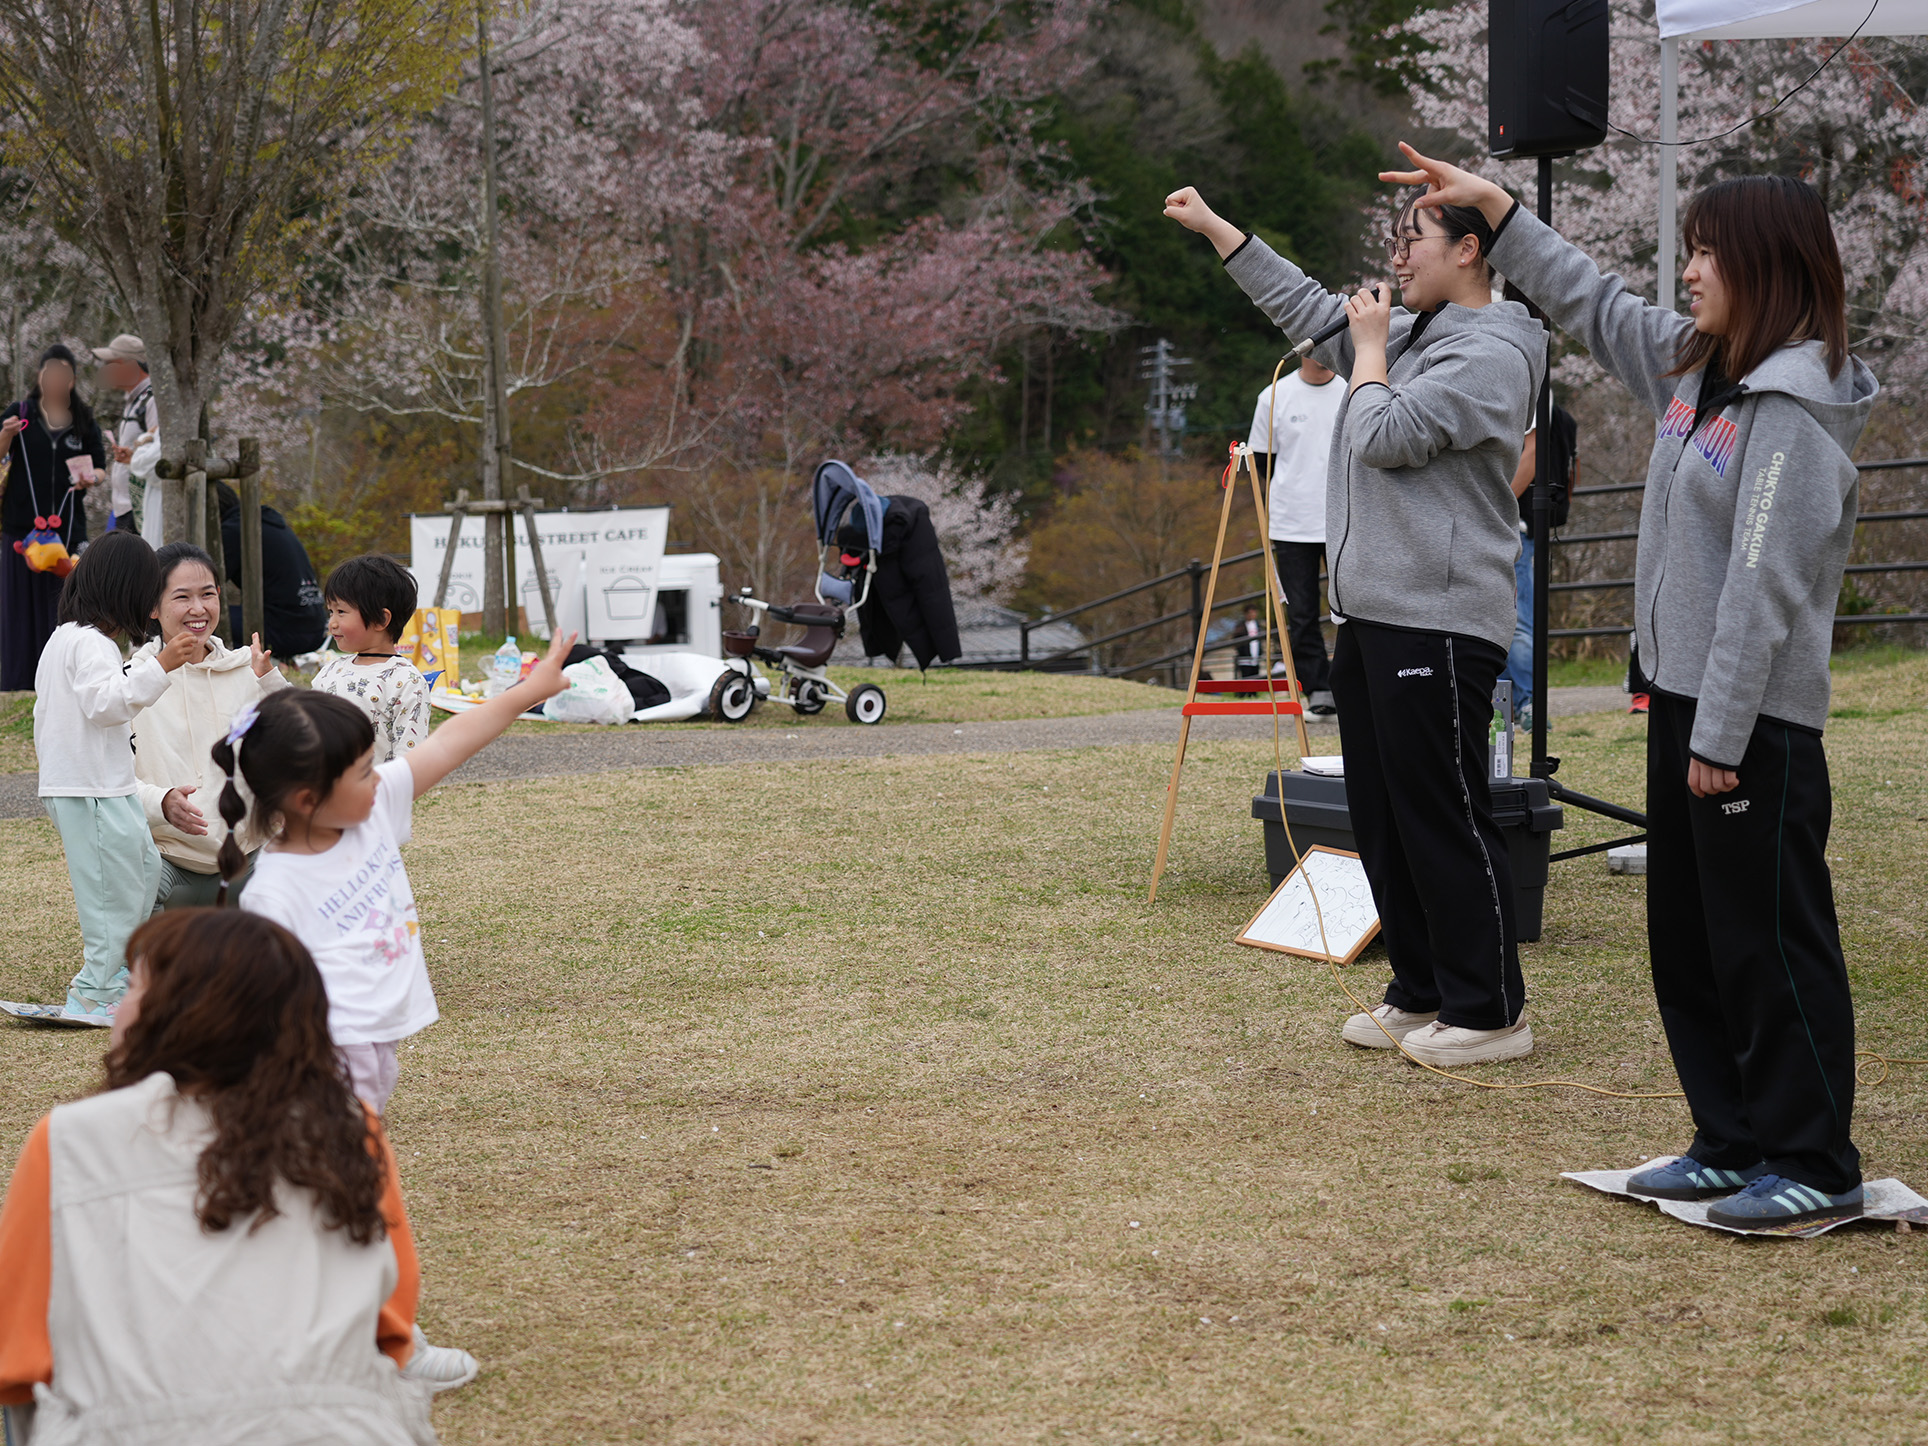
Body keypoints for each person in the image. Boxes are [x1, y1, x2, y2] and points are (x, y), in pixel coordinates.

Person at [1392, 147, 1878, 1228]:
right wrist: (1499, 212)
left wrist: (1721, 729)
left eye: (1707, 253)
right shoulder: (1694, 367)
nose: (1689, 271)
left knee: (1768, 943)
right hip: (1686, 706)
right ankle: (1728, 1138)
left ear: (1765, 266)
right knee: (1691, 937)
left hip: (1749, 725)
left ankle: (1812, 1160)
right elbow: (1592, 301)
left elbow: (1757, 587)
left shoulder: (1790, 412)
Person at [1165, 174, 1545, 1067]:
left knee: (1442, 811)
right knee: (1382, 815)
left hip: (1442, 617)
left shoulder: (1493, 352)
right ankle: (1420, 990)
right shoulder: (1414, 331)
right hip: (1371, 612)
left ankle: (1490, 1010)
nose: (1398, 254)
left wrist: (1369, 353)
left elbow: (1384, 433)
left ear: (1470, 251)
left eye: (1416, 237)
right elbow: (1307, 306)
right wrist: (1218, 225)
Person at [0, 909, 441, 1443]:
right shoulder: (349, 1125)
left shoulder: (69, 1140)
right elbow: (392, 1332)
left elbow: (19, 1359)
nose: (118, 1008)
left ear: (172, 1013)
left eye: (134, 987)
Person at [227, 626, 575, 1116]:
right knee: (344, 1152)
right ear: (308, 799)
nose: (379, 776)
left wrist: (528, 692)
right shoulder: (274, 889)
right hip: (327, 1051)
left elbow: (449, 743)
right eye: (364, 770)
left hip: (375, 1039)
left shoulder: (370, 808)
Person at [33, 533, 197, 1024]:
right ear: (124, 590)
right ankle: (95, 992)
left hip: (107, 785)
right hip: (88, 790)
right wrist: (162, 664)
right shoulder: (87, 642)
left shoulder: (75, 639)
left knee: (143, 871)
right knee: (111, 893)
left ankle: (125, 974)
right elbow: (105, 705)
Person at [131, 542, 288, 911]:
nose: (198, 609)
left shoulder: (247, 669)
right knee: (125, 875)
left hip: (251, 860)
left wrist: (271, 683)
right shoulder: (133, 682)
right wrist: (162, 801)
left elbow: (305, 741)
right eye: (182, 597)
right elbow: (111, 780)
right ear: (153, 607)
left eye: (208, 595)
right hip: (168, 865)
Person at [1, 346, 109, 691]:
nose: (55, 380)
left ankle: (62, 680)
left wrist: (91, 478)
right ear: (40, 377)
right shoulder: (20, 414)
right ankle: (19, 681)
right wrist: (6, 435)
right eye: (49, 373)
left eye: (63, 374)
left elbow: (101, 468)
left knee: (63, 605)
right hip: (22, 530)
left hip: (67, 530)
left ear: (72, 380)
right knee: (19, 607)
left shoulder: (84, 420)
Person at [1248, 354, 1345, 717]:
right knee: (1301, 612)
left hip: (1347, 517)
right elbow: (1263, 461)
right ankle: (1318, 689)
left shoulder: (1353, 387)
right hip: (1292, 522)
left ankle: (1351, 685)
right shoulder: (1274, 395)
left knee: (1353, 609)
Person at [313, 554, 432, 761]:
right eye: (330, 611)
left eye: (341, 611)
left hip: (377, 791)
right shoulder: (331, 671)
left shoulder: (406, 681)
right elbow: (302, 716)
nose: (332, 622)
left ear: (380, 619)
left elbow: (411, 756)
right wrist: (268, 677)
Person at [213, 479, 328, 656]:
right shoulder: (264, 521)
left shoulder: (234, 530)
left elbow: (205, 582)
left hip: (288, 631)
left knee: (200, 619)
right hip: (316, 626)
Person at [92, 334, 156, 536]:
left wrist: (133, 457)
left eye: (112, 364)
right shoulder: (133, 401)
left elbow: (158, 450)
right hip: (124, 507)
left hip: (140, 508)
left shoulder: (152, 400)